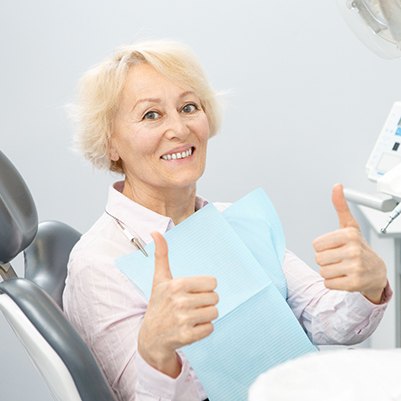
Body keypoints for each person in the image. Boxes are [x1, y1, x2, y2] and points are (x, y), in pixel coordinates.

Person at [63, 40, 391, 401]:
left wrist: (368, 286)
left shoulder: (230, 220)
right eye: (151, 115)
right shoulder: (98, 264)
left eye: (189, 107)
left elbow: (326, 319)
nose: (179, 129)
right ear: (110, 143)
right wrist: (157, 352)